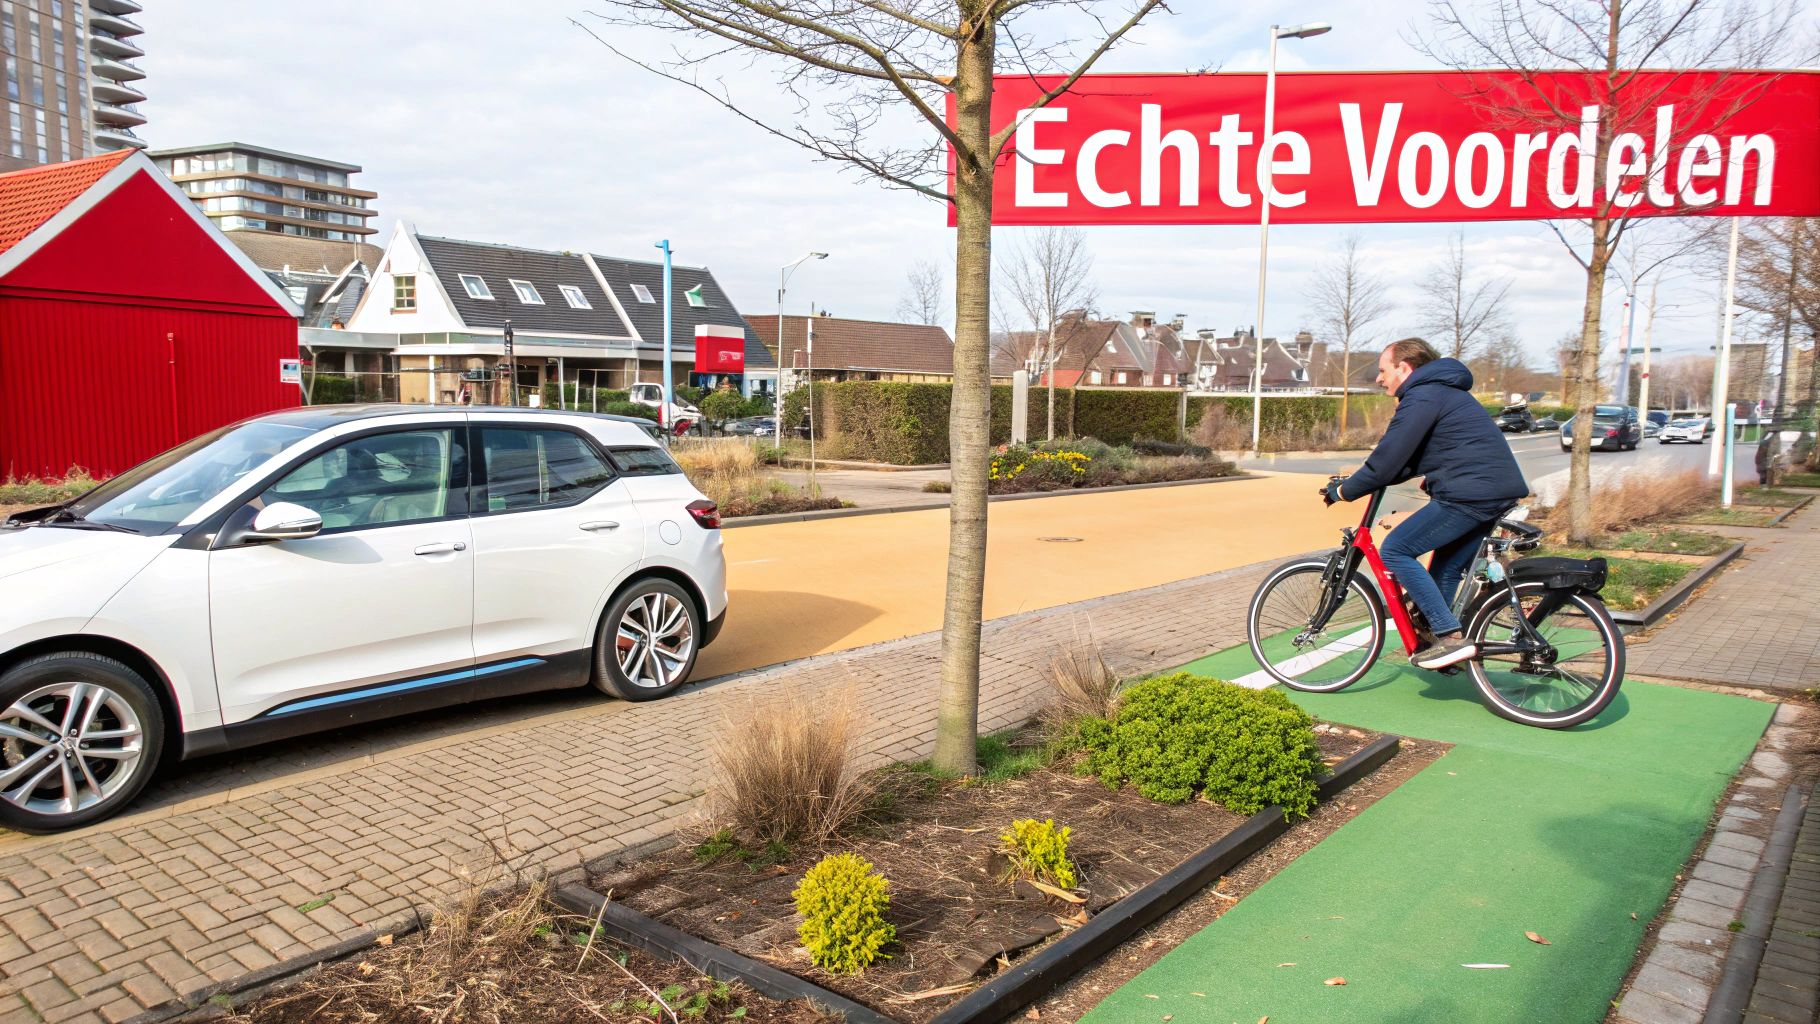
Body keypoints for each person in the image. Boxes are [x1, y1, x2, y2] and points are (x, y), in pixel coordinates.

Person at [1323, 338, 1530, 670]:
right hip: (1490, 491)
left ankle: (1448, 636)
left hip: (1469, 495)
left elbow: (1388, 458)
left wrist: (1345, 492)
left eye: (1382, 370)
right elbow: (1409, 460)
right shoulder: (1441, 391)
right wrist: (1364, 480)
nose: (1379, 379)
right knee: (1446, 568)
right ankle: (1441, 640)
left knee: (1396, 549)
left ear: (1404, 368)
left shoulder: (1422, 395)